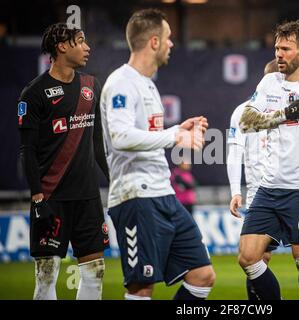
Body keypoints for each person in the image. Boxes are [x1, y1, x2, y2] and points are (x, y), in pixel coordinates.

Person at [101, 8, 215, 300]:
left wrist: (178, 128)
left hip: (164, 194)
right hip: (135, 197)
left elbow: (148, 136)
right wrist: (175, 134)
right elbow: (121, 136)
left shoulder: (147, 85)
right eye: (168, 38)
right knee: (141, 288)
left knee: (202, 275)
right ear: (154, 42)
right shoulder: (121, 83)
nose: (171, 44)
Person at [238, 20, 299, 300]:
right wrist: (283, 115)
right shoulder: (268, 82)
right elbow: (246, 122)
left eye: (286, 49)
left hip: (298, 189)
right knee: (248, 257)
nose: (279, 54)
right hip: (268, 189)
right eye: (277, 48)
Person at [18, 23, 109, 300]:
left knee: (95, 272)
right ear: (62, 46)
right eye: (80, 41)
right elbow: (27, 150)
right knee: (46, 277)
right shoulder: (33, 94)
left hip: (88, 198)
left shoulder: (91, 86)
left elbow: (97, 145)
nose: (87, 47)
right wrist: (37, 199)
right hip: (51, 198)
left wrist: (114, 182)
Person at [227, 59, 278, 300]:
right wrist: (236, 191)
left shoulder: (298, 107)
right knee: (255, 258)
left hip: (294, 192)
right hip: (260, 195)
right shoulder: (243, 111)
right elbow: (234, 152)